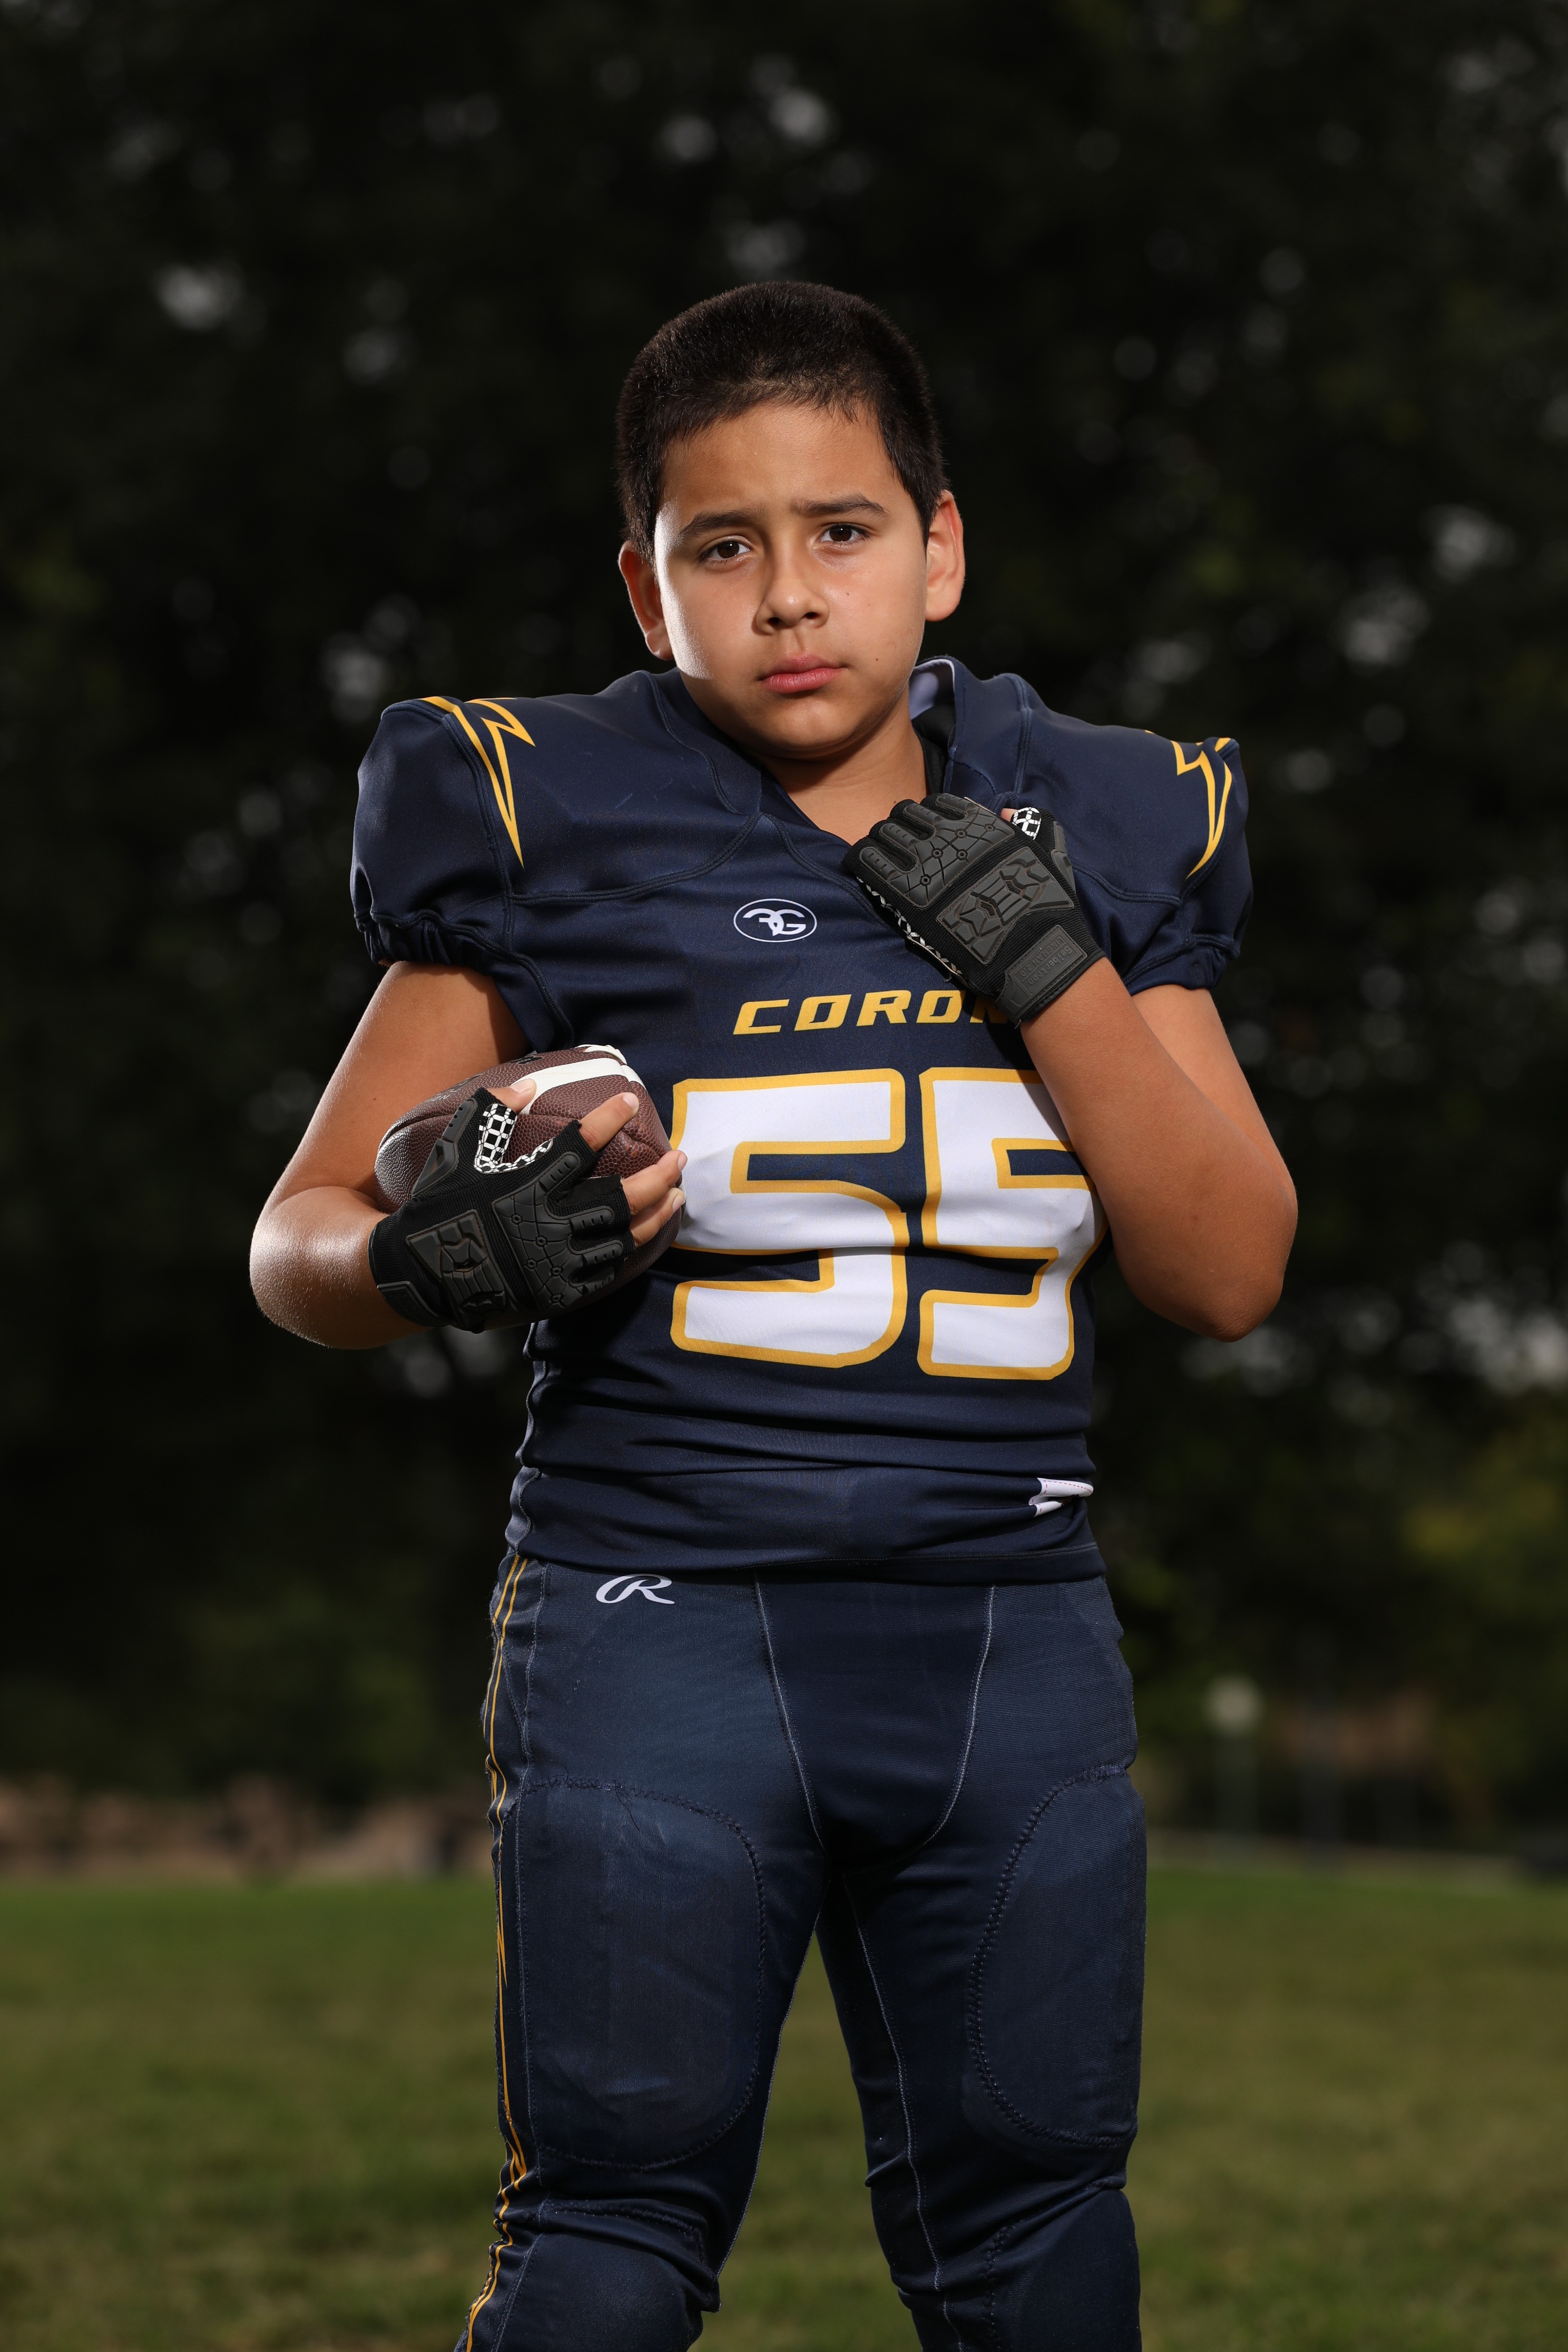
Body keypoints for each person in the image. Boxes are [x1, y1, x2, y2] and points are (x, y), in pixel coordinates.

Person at [251, 280, 1295, 2352]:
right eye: (721, 546)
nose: (790, 594)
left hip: (1006, 1630)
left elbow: (1229, 1268)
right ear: (648, 593)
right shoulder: (550, 817)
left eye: (841, 530)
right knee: (613, 2234)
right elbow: (298, 1233)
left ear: (940, 548)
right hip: (664, 1624)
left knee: (1044, 2237)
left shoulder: (1091, 818)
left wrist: (1055, 971)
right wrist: (411, 1264)